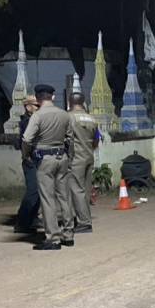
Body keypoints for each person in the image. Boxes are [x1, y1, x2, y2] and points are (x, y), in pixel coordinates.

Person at [21, 84, 75, 250]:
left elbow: (26, 139)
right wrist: (69, 157)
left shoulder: (37, 116)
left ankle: (53, 238)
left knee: (47, 198)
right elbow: (70, 139)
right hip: (62, 157)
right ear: (52, 97)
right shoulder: (64, 115)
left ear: (38, 99)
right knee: (64, 197)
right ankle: (68, 235)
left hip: (45, 159)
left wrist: (26, 155)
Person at [66, 90, 99, 234]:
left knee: (76, 189)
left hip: (75, 158)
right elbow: (96, 140)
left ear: (70, 103)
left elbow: (66, 139)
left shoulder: (68, 117)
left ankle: (84, 222)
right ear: (83, 102)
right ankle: (84, 218)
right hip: (89, 156)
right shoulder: (92, 119)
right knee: (85, 189)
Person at [14, 94, 42, 234]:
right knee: (33, 191)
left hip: (38, 159)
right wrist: (27, 157)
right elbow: (24, 142)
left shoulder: (34, 119)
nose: (39, 108)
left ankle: (33, 218)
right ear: (28, 107)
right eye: (36, 105)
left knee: (39, 191)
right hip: (31, 160)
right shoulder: (27, 122)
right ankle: (22, 222)